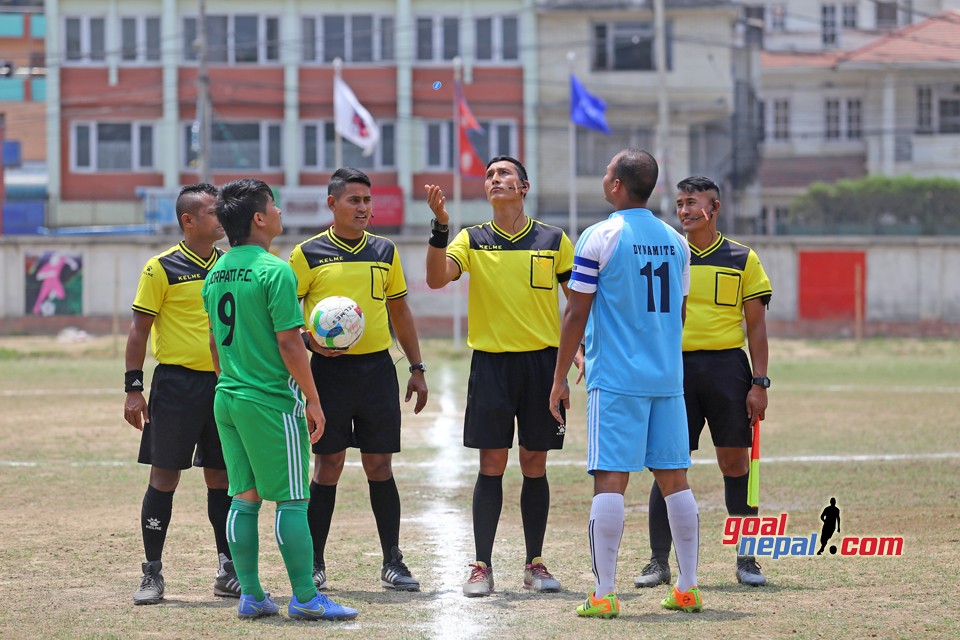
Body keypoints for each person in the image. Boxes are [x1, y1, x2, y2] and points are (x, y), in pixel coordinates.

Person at [549, 149, 702, 618]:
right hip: (667, 378)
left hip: (616, 380)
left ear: (617, 186)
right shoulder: (677, 242)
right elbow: (678, 311)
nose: (603, 177)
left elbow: (576, 311)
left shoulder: (599, 236)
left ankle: (603, 594)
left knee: (610, 480)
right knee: (675, 479)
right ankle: (688, 588)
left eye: (607, 172)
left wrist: (558, 378)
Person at [201, 178, 357, 621]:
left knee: (243, 498)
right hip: (270, 400)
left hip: (228, 396)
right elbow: (290, 343)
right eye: (275, 206)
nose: (280, 213)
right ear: (258, 218)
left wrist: (229, 379)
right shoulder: (275, 269)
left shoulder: (217, 270)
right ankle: (306, 597)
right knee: (292, 499)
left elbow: (214, 339)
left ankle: (251, 595)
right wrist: (313, 399)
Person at [425, 156, 574, 597]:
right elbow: (435, 279)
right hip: (490, 364)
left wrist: (576, 350)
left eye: (504, 174)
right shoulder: (472, 239)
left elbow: (579, 303)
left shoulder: (554, 239)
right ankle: (482, 566)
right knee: (491, 464)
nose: (495, 180)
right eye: (489, 176)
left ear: (524, 186)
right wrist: (440, 225)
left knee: (535, 462)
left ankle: (535, 564)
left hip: (543, 366)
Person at [288, 167, 428, 592]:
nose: (363, 207)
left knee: (379, 465)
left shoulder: (385, 250)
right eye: (354, 200)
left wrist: (417, 367)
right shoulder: (307, 254)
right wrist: (311, 342)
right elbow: (286, 318)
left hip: (376, 373)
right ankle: (314, 562)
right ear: (332, 204)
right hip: (327, 375)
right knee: (327, 466)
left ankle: (392, 561)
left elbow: (400, 311)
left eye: (367, 200)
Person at [633, 176, 772, 590]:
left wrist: (759, 382)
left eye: (692, 203)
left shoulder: (742, 258)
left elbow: (757, 328)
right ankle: (658, 562)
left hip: (729, 369)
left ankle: (747, 558)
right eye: (679, 204)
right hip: (675, 368)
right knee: (667, 464)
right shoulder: (669, 254)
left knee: (735, 464)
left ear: (714, 208)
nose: (685, 211)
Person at [123, 183, 240, 605]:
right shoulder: (162, 267)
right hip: (175, 385)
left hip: (225, 385)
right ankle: (152, 573)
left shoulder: (230, 265)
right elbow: (139, 329)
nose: (221, 218)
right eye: (213, 211)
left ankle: (228, 568)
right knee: (164, 475)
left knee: (223, 477)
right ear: (188, 220)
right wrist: (134, 388)